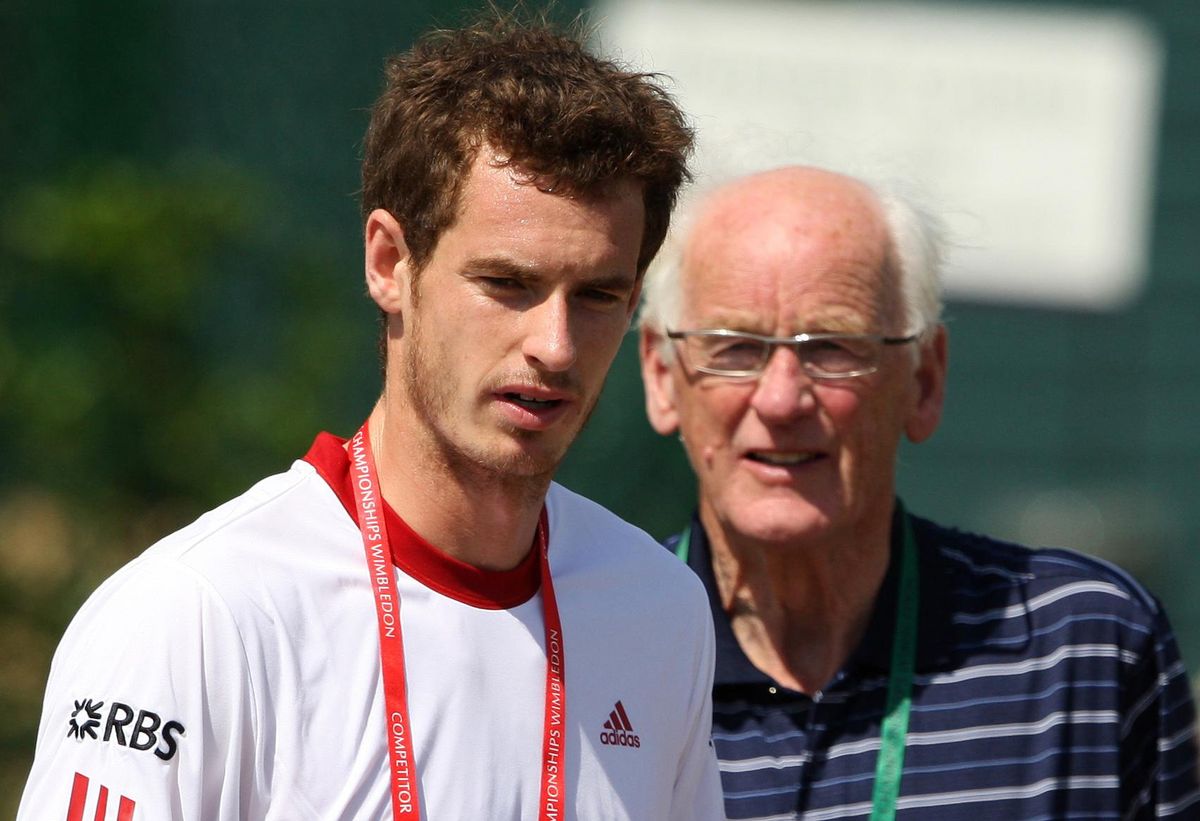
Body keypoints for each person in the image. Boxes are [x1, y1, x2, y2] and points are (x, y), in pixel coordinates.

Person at [19, 15, 725, 821]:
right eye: (506, 283)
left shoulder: (658, 608)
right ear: (390, 263)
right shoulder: (197, 614)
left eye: (598, 295)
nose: (555, 346)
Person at [638, 164, 1200, 820]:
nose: (782, 397)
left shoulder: (1083, 656)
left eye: (833, 346)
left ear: (925, 379)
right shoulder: (585, 657)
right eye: (735, 347)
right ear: (660, 374)